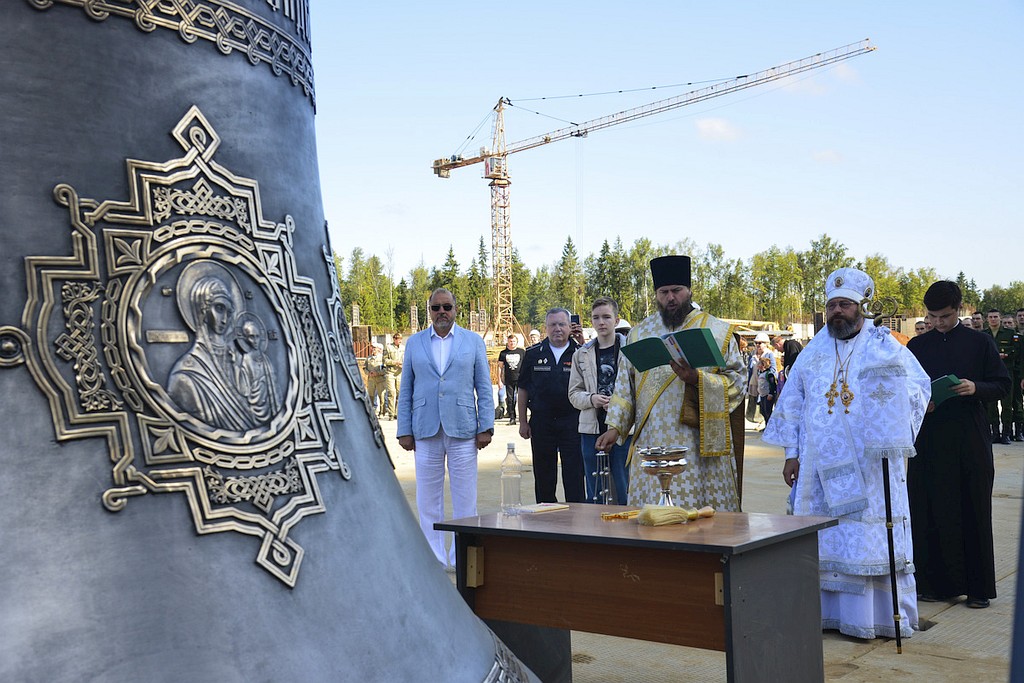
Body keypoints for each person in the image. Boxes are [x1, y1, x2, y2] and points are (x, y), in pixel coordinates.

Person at [763, 267, 930, 639]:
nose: (837, 311)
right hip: (816, 467)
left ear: (861, 307)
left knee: (865, 538)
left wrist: (892, 431)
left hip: (870, 464)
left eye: (845, 304)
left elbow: (919, 387)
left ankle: (869, 617)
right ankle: (823, 613)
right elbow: (793, 403)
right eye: (832, 305)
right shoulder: (812, 352)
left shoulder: (884, 345)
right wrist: (791, 453)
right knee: (820, 536)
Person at [596, 255, 745, 511]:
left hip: (698, 444)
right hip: (652, 439)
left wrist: (697, 379)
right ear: (656, 294)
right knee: (654, 515)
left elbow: (738, 382)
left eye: (677, 290)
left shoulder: (718, 331)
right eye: (663, 292)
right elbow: (625, 386)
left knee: (699, 509)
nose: (671, 298)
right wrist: (615, 428)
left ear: (689, 290)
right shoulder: (639, 333)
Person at [908, 281, 1010, 609]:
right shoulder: (916, 346)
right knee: (930, 509)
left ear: (959, 309)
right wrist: (919, 402)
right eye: (932, 317)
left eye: (946, 316)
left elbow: (1002, 384)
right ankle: (935, 585)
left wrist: (975, 387)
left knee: (972, 507)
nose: (938, 322)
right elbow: (904, 389)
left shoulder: (979, 343)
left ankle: (978, 589)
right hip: (929, 438)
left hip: (969, 436)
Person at [396, 288, 494, 569]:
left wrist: (486, 426)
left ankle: (461, 557)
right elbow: (406, 389)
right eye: (436, 307)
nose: (442, 312)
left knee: (465, 499)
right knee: (428, 500)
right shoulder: (414, 343)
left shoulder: (473, 341)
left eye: (447, 307)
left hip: (463, 429)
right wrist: (404, 429)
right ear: (429, 310)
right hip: (424, 429)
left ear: (455, 309)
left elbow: (484, 386)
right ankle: (434, 559)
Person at [168, 263, 257, 432]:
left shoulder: (237, 363)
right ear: (202, 309)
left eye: (229, 312)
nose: (225, 319)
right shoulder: (185, 376)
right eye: (219, 308)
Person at [517, 308, 585, 503]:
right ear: (545, 327)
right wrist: (523, 422)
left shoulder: (581, 353)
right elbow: (523, 389)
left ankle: (577, 516)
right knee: (544, 475)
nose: (557, 328)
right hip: (542, 423)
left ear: (570, 326)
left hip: (573, 422)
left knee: (574, 475)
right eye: (553, 324)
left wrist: (582, 342)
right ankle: (545, 517)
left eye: (562, 324)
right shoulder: (532, 354)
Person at [569, 296, 631, 504]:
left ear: (616, 320)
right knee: (595, 488)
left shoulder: (629, 351)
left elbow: (638, 390)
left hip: (623, 429)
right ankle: (596, 524)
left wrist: (619, 402)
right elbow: (573, 394)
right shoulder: (581, 354)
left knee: (623, 485)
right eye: (596, 318)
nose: (601, 322)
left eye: (606, 317)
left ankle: (626, 523)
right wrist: (592, 399)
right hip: (591, 428)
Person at [984, 309, 1016, 444]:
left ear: (1000, 318)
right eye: (990, 317)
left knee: (1007, 404)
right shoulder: (983, 334)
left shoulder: (1010, 333)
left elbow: (1016, 349)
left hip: (1007, 372)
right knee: (991, 405)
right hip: (990, 373)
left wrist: (1005, 353)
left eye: (995, 317)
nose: (993, 319)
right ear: (987, 319)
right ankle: (995, 432)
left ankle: (1006, 433)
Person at [497, 334, 526, 425]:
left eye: (513, 341)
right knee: (510, 399)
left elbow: (526, 365)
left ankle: (523, 418)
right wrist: (499, 380)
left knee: (522, 399)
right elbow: (500, 367)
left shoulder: (522, 352)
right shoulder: (503, 353)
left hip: (521, 379)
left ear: (516, 342)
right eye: (510, 341)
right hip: (509, 379)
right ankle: (512, 417)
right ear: (508, 342)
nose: (512, 343)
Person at [381, 332, 405, 420]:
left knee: (399, 393)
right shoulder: (388, 347)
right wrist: (394, 362)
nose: (400, 341)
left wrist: (403, 365)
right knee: (391, 392)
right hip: (390, 372)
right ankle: (391, 413)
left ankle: (397, 413)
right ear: (394, 339)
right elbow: (385, 360)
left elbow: (406, 358)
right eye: (398, 339)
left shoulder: (403, 348)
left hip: (399, 372)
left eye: (401, 339)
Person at [363, 342, 387, 418]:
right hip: (371, 380)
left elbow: (386, 369)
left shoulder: (382, 358)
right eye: (372, 348)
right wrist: (368, 373)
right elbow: (364, 368)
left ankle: (382, 412)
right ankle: (371, 412)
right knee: (371, 396)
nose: (373, 349)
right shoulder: (368, 358)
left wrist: (378, 373)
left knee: (381, 396)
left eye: (374, 348)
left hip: (380, 380)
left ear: (378, 349)